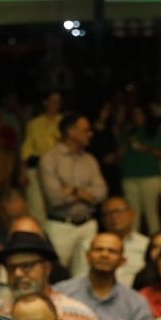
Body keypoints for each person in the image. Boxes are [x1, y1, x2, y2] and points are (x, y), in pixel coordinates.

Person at [39, 112, 108, 270]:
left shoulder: (90, 159)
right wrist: (85, 194)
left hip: (87, 225)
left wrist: (72, 191)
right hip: (60, 226)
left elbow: (102, 193)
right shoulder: (49, 158)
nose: (90, 134)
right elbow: (54, 198)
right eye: (86, 130)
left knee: (84, 277)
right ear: (71, 131)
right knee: (58, 275)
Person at [68, 196, 148, 288]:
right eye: (108, 214)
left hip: (135, 296)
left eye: (118, 211)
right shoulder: (87, 244)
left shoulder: (145, 244)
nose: (114, 217)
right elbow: (78, 277)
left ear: (132, 213)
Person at [119, 103, 161, 235]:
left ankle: (157, 242)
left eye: (140, 114)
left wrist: (146, 148)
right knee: (132, 213)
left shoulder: (156, 131)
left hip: (150, 176)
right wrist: (127, 144)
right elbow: (119, 154)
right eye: (134, 114)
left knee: (151, 211)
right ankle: (132, 242)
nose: (136, 117)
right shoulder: (128, 132)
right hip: (129, 176)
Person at [20, 92, 64, 223]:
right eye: (52, 101)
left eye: (58, 102)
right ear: (45, 103)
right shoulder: (35, 124)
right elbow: (26, 148)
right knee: (35, 204)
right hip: (37, 165)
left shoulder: (64, 122)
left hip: (59, 167)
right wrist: (23, 171)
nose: (54, 105)